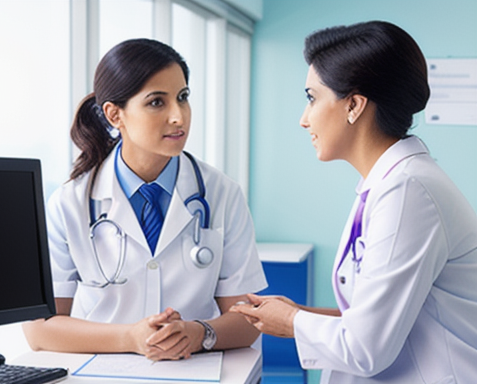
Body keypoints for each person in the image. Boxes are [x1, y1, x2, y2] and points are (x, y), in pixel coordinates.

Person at [231, 20, 477, 383]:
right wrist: (300, 312)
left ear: (354, 105)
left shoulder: (409, 192)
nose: (303, 119)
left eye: (312, 98)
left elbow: (366, 349)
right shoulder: (389, 184)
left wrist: (292, 322)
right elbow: (377, 318)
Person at [23, 38, 267, 361]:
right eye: (156, 102)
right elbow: (39, 330)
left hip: (193, 372)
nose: (178, 116)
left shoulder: (222, 194)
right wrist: (130, 337)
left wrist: (198, 334)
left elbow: (248, 321)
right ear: (114, 114)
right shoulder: (70, 204)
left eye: (183, 98)